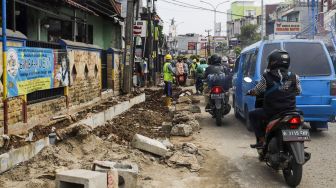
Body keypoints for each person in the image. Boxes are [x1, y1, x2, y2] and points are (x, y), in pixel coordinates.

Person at [247, 49, 301, 148]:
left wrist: (250, 92)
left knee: (252, 114)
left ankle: (261, 140)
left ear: (272, 62)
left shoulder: (266, 77)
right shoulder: (295, 76)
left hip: (272, 112)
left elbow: (257, 91)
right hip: (290, 111)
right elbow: (298, 91)